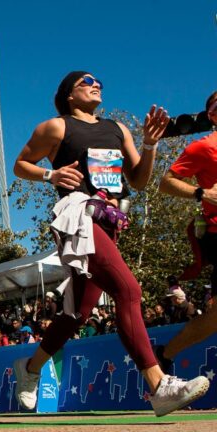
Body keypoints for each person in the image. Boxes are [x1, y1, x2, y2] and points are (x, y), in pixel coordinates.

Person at [11, 71, 209, 417]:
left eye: (98, 81)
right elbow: (20, 165)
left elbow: (139, 180)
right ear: (69, 95)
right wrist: (50, 174)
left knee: (78, 312)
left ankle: (30, 367)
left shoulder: (118, 129)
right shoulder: (56, 127)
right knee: (128, 290)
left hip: (109, 221)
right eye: (86, 81)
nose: (95, 84)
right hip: (78, 216)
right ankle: (160, 385)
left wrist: (149, 144)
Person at [156, 91, 217, 374]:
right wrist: (201, 192)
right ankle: (164, 355)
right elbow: (166, 183)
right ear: (213, 115)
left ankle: (164, 355)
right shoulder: (203, 147)